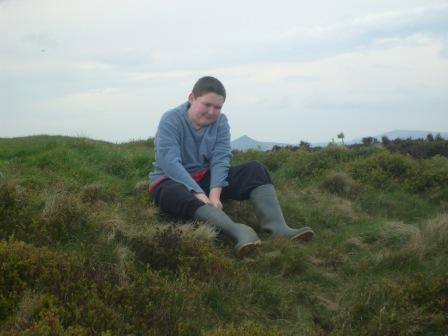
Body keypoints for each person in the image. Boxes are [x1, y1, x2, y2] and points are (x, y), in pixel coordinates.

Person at [149, 76, 314, 257]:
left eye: (218, 107)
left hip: (205, 177)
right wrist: (200, 195)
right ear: (192, 98)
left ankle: (278, 228)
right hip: (171, 180)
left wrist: (214, 194)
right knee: (170, 192)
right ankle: (240, 232)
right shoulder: (171, 119)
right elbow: (169, 162)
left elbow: (221, 159)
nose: (212, 112)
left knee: (255, 169)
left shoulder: (221, 122)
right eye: (207, 104)